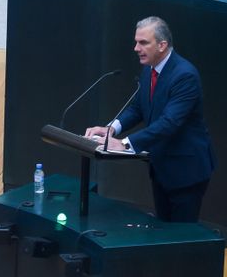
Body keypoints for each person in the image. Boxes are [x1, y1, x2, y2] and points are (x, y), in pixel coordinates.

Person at [84, 17, 215, 223]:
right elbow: (138, 107)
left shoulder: (185, 76)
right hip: (161, 167)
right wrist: (111, 129)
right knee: (162, 234)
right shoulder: (149, 69)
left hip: (185, 171)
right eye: (136, 42)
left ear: (162, 45)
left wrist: (126, 144)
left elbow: (168, 123)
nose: (136, 48)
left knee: (180, 240)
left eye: (143, 42)